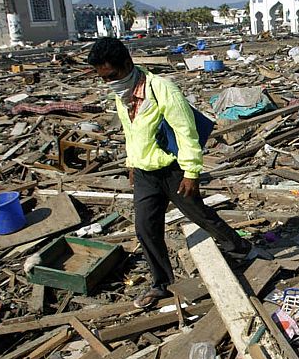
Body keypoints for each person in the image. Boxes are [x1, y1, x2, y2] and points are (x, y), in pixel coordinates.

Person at [88, 37, 252, 309]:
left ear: (128, 64)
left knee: (198, 213)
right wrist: (131, 162)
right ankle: (161, 283)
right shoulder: (122, 95)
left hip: (173, 170)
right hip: (144, 173)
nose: (109, 83)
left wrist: (191, 172)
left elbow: (185, 132)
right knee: (145, 228)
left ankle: (238, 248)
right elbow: (130, 132)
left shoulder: (162, 90)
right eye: (103, 78)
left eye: (113, 76)